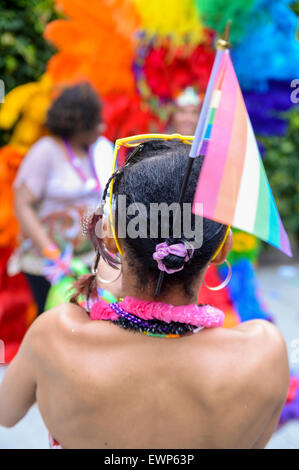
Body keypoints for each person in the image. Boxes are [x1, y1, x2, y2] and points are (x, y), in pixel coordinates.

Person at [0, 139, 289, 449]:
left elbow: (7, 412)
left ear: (110, 241)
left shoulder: (55, 335)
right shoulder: (264, 352)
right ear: (223, 248)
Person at [9, 82, 117, 314]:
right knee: (52, 320)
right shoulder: (45, 152)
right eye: (95, 121)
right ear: (76, 123)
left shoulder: (102, 149)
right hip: (47, 265)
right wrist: (50, 251)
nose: (102, 126)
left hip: (90, 259)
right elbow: (22, 204)